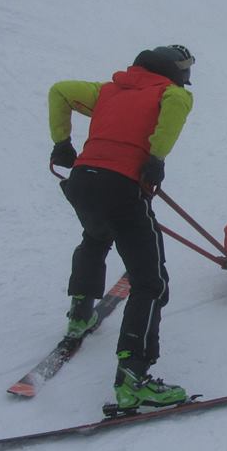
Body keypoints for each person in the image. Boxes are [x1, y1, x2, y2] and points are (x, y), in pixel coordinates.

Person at [47, 45, 194, 411]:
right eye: (186, 69)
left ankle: (80, 315)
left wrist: (62, 142)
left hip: (82, 180)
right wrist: (156, 158)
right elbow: (176, 107)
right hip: (122, 187)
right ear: (174, 70)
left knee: (96, 236)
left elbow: (60, 90)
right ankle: (133, 377)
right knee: (150, 282)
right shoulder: (171, 93)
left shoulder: (108, 91)